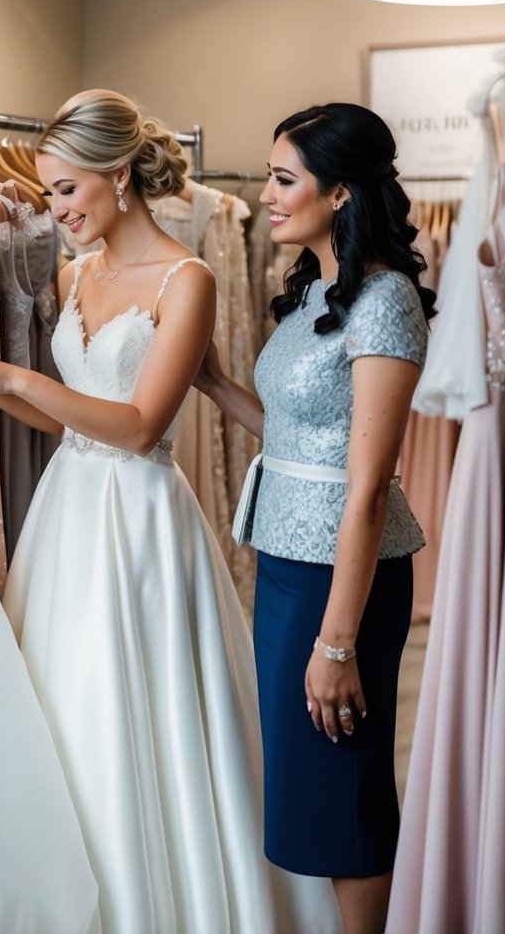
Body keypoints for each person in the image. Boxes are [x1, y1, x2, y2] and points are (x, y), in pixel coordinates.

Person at [0, 89, 341, 934]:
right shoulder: (72, 273)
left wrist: (13, 375)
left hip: (142, 518)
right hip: (69, 512)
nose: (54, 212)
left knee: (139, 711)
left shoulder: (185, 279)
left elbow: (139, 424)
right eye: (48, 193)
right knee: (62, 703)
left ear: (117, 177)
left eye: (64, 191)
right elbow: (70, 416)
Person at [195, 103, 435, 934]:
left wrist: (336, 644)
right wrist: (216, 385)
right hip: (287, 564)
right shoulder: (313, 292)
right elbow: (307, 437)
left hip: (345, 579)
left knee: (346, 787)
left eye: (282, 178)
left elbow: (364, 488)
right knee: (311, 784)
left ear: (338, 192)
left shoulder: (385, 301)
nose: (264, 193)